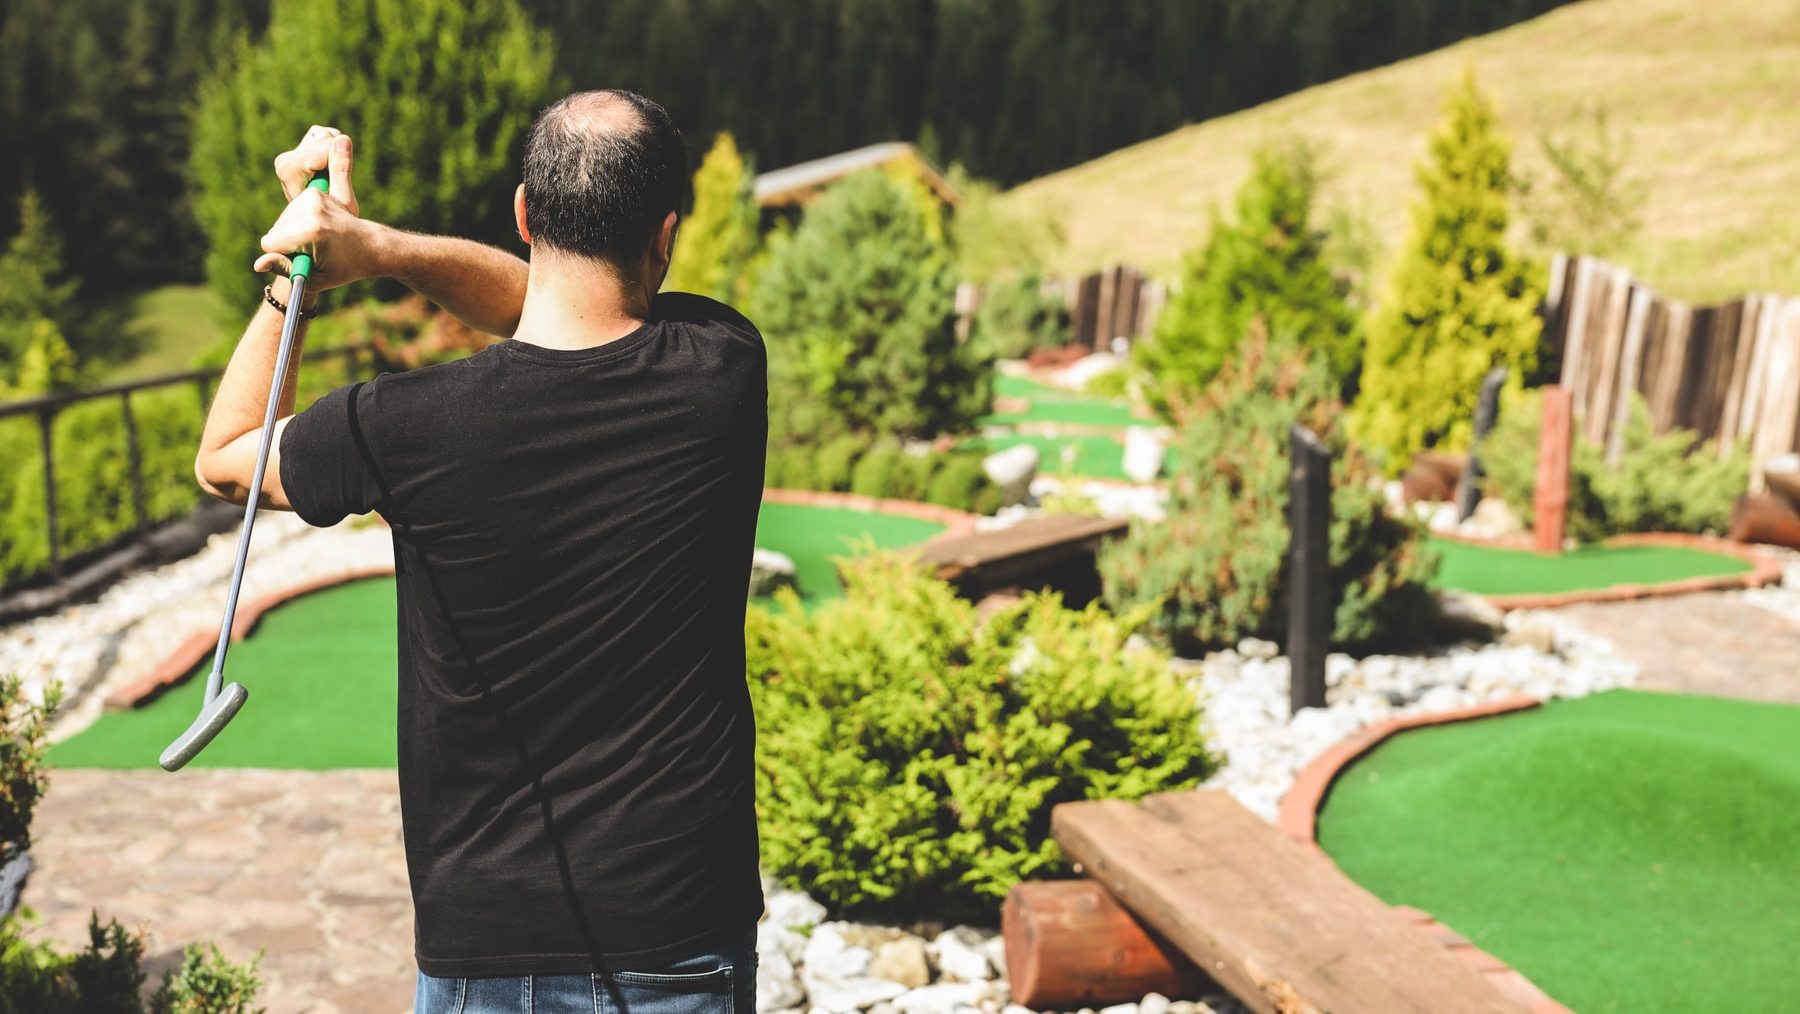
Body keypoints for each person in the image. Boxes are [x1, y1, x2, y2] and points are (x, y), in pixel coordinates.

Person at [192, 91, 766, 1013]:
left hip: (485, 947)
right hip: (683, 929)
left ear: (525, 214)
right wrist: (375, 246)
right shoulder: (723, 363)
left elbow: (226, 458)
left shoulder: (403, 426)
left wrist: (300, 267)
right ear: (666, 234)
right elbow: (547, 305)